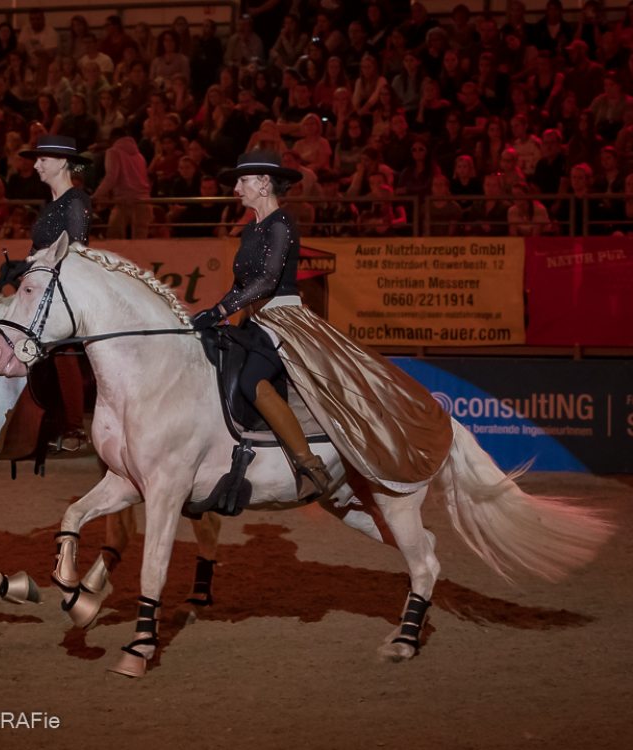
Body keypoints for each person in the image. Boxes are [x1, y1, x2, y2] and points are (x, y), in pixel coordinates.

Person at [191, 150, 452, 504]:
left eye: (243, 180)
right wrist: (213, 313)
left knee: (252, 380)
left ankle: (309, 466)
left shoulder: (282, 224)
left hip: (282, 319)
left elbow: (268, 279)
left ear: (264, 183)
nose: (236, 188)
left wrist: (222, 307)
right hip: (251, 319)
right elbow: (242, 285)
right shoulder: (250, 229)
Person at [15, 135, 94, 449]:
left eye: (42, 159)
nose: (36, 165)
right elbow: (39, 249)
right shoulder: (52, 206)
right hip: (44, 285)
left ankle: (74, 427)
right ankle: (55, 424)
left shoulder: (75, 200)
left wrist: (37, 266)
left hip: (62, 288)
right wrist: (21, 268)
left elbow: (75, 249)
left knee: (60, 354)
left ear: (62, 162)